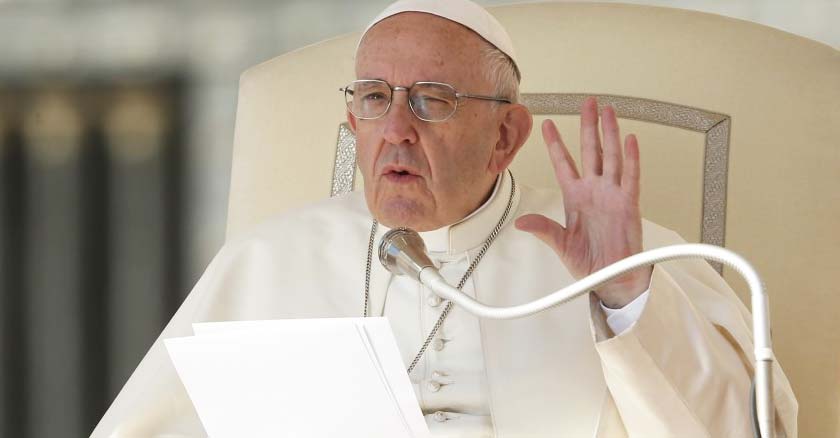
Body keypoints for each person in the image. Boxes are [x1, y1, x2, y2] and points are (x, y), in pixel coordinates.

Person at [91, 0, 797, 437]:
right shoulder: (271, 260)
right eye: (373, 98)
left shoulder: (617, 257)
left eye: (431, 99)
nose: (396, 128)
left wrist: (627, 297)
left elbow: (737, 433)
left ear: (505, 137)